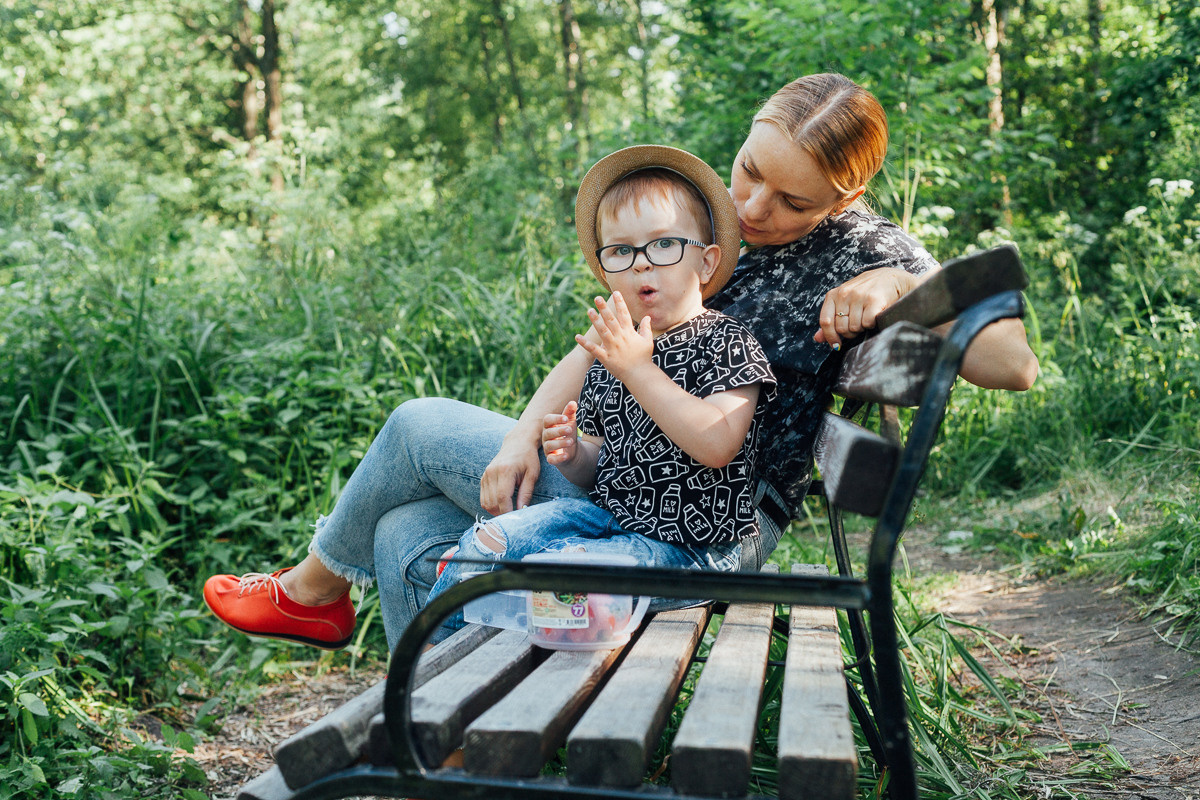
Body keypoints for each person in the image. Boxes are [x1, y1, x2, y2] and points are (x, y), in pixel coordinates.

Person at [203, 72, 1039, 654]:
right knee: (404, 531)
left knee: (418, 425)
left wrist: (899, 283)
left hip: (701, 515)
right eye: (750, 174)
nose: (754, 208)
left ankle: (313, 591)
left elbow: (1012, 364)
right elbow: (602, 341)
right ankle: (450, 753)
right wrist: (522, 438)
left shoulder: (868, 248)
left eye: (792, 201)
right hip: (623, 476)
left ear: (845, 198)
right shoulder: (713, 230)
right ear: (747, 139)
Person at [420, 146, 776, 643]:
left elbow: (717, 444)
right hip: (611, 519)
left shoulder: (727, 341)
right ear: (605, 270)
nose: (642, 266)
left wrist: (636, 368)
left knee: (572, 577)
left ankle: (517, 649)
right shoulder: (615, 349)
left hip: (698, 549)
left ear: (706, 261)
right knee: (488, 543)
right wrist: (573, 456)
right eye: (622, 252)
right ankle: (432, 680)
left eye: (664, 246)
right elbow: (607, 464)